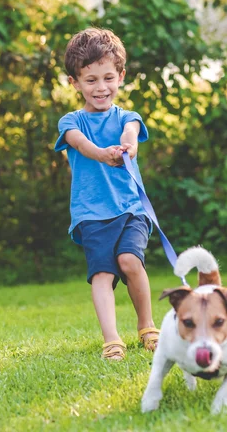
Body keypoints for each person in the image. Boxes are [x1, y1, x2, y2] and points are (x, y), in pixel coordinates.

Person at [54, 28, 159, 361]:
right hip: (91, 214)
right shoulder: (71, 122)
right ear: (74, 82)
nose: (101, 88)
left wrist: (127, 147)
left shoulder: (128, 117)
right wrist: (103, 153)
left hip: (130, 208)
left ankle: (147, 327)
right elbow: (81, 145)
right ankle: (112, 340)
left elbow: (131, 135)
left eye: (108, 78)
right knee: (102, 273)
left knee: (129, 261)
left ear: (121, 76)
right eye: (90, 80)